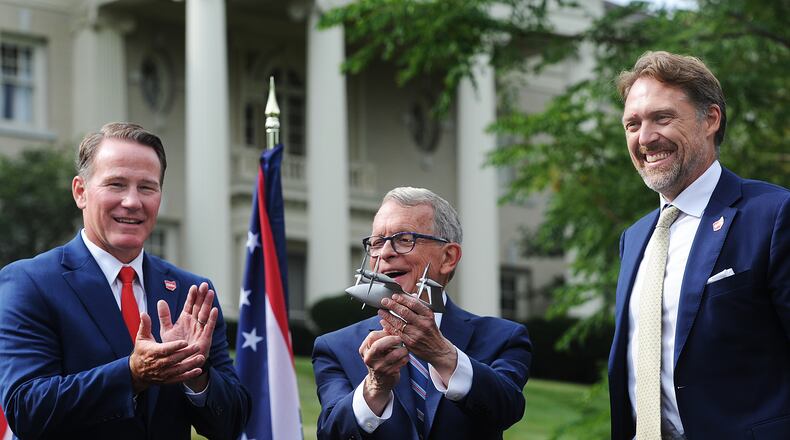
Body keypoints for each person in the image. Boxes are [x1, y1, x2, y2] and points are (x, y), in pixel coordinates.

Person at [0, 123, 251, 438]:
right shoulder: (29, 283)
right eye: (116, 184)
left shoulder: (191, 293)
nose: (133, 201)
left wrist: (194, 374)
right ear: (81, 192)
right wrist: (132, 374)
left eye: (147, 187)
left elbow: (232, 422)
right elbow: (27, 409)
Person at [608, 51, 789, 440]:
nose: (645, 137)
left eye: (663, 118)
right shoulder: (635, 238)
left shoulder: (774, 214)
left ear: (711, 119)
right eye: (632, 124)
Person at [312, 187, 532, 439]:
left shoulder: (503, 338)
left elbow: (507, 409)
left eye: (404, 239)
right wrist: (375, 386)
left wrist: (441, 353)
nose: (384, 253)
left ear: (448, 257)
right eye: (376, 242)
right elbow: (332, 434)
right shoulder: (335, 347)